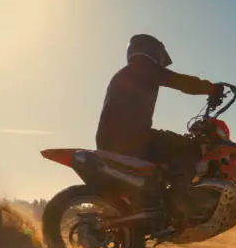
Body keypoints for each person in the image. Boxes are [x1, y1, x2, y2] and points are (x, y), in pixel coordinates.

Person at [95, 34, 224, 227]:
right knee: (188, 147)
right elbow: (179, 82)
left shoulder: (130, 72)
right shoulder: (142, 69)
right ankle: (180, 206)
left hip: (117, 139)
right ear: (152, 51)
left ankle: (161, 205)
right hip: (131, 138)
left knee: (166, 157)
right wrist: (211, 88)